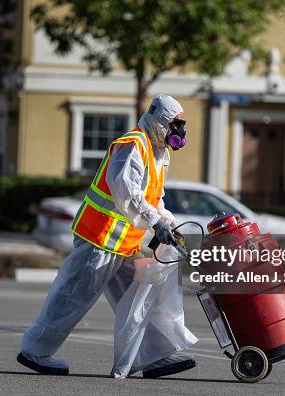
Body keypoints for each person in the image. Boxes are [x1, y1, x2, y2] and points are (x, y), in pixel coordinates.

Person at [18, 94, 196, 378]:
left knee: (137, 300)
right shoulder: (133, 145)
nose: (180, 132)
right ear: (161, 120)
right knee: (73, 296)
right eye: (176, 124)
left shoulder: (159, 152)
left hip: (124, 244)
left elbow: (154, 197)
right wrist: (153, 221)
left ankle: (151, 357)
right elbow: (124, 190)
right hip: (99, 239)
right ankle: (35, 350)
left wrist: (165, 221)